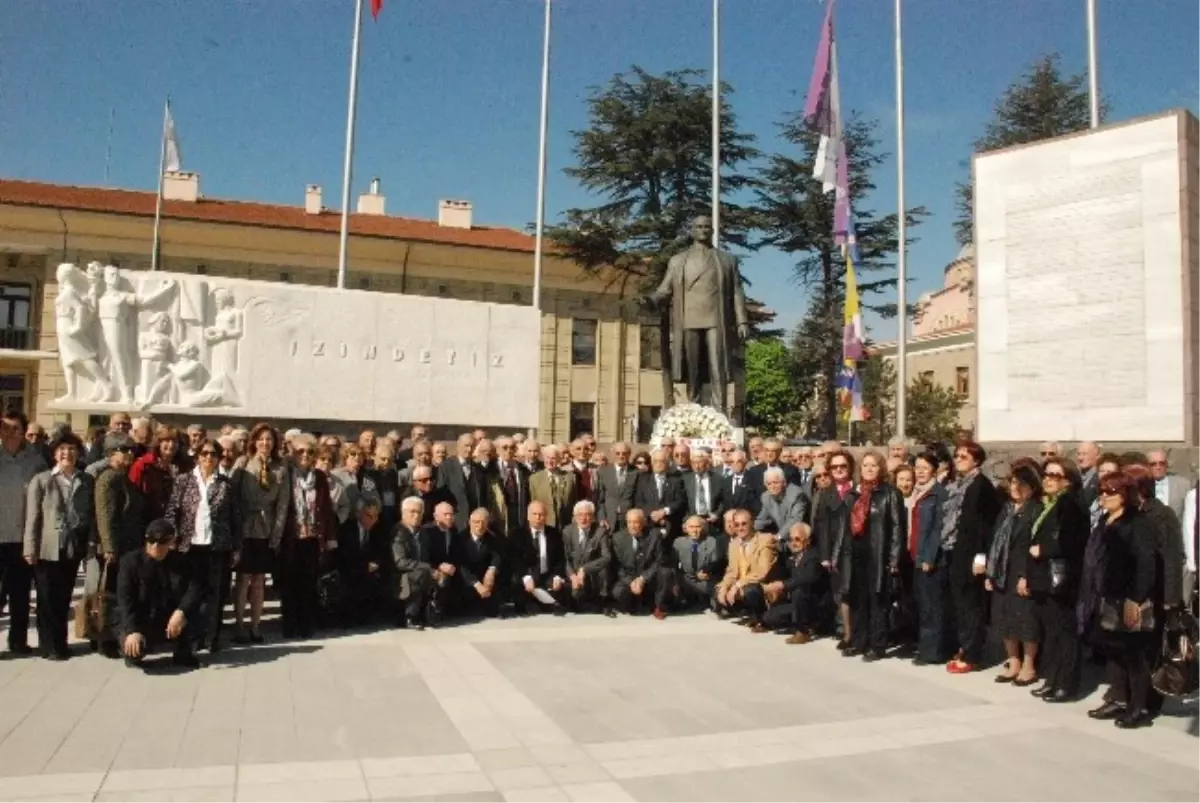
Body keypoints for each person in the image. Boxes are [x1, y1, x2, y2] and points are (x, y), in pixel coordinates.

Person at [1088, 472, 1158, 729]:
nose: (1104, 497)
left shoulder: (1138, 523)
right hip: (1109, 594)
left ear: (1125, 495)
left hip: (1131, 597)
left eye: (1110, 492)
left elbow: (1146, 565)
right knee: (1114, 650)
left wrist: (1135, 599)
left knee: (1134, 654)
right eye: (1102, 491)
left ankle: (1138, 707)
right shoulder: (1107, 520)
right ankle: (1118, 698)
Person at [165, 437, 240, 654]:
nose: (209, 457)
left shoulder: (226, 484)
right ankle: (192, 636)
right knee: (190, 592)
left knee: (216, 593)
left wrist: (236, 547)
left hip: (217, 546)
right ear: (197, 456)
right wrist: (173, 538)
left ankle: (211, 637)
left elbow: (235, 517)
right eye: (204, 453)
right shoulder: (184, 480)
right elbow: (172, 511)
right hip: (189, 546)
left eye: (213, 454)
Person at [23, 431, 92, 661]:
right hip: (46, 548)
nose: (67, 453)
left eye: (71, 449)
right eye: (62, 449)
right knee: (46, 598)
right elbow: (32, 518)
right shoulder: (42, 480)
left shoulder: (85, 480)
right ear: (54, 453)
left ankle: (61, 642)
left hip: (71, 548)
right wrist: (30, 548)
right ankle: (48, 645)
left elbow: (88, 515)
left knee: (64, 598)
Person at [1028, 456, 1089, 703]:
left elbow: (1072, 541)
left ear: (1068, 480)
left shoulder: (1071, 505)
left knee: (1065, 633)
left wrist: (1044, 550)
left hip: (1062, 578)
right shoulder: (1052, 503)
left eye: (1055, 475)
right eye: (1046, 475)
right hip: (1045, 577)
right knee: (1051, 632)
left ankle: (1066, 684)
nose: (1049, 480)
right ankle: (1052, 680)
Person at [833, 452, 904, 662]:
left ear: (881, 468)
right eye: (865, 465)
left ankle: (877, 645)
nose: (869, 469)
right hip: (855, 553)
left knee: (877, 600)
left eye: (874, 465)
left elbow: (898, 527)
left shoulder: (890, 493)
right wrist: (837, 555)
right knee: (857, 600)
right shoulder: (853, 495)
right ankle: (858, 641)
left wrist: (894, 559)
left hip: (878, 553)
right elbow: (843, 529)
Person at [943, 441, 1002, 675]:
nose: (958, 459)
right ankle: (965, 646)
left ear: (976, 460)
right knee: (960, 603)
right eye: (956, 455)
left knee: (972, 605)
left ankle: (973, 654)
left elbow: (985, 525)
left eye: (964, 456)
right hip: (956, 549)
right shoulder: (959, 484)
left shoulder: (981, 485)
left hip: (972, 553)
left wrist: (981, 556)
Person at [985, 464, 1043, 685]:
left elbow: (1035, 544)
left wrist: (1026, 575)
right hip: (1002, 572)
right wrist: (991, 572)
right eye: (1012, 482)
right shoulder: (1007, 509)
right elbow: (995, 540)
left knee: (1026, 620)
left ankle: (1029, 666)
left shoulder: (1035, 509)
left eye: (1019, 483)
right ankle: (1013, 661)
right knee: (1004, 618)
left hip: (1022, 571)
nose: (1014, 487)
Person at [116, 519, 202, 670]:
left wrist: (181, 612)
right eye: (151, 541)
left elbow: (195, 588)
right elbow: (125, 600)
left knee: (198, 609)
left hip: (168, 615)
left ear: (171, 542)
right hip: (141, 616)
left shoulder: (181, 561)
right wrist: (132, 631)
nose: (155, 546)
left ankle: (183, 652)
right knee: (134, 651)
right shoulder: (130, 562)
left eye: (161, 542)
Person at [234, 423, 289, 644]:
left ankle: (256, 626)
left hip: (265, 529)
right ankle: (239, 626)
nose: (265, 443)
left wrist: (276, 534)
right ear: (254, 441)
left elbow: (283, 505)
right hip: (245, 528)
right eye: (261, 439)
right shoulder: (243, 463)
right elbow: (234, 496)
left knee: (258, 581)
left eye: (269, 439)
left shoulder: (280, 468)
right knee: (242, 580)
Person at [0, 408, 47, 658]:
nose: (10, 433)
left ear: (23, 432)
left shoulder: (35, 461)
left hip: (22, 536)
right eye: (5, 428)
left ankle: (17, 640)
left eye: (15, 429)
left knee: (19, 593)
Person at [280, 434, 335, 639]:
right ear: (293, 453)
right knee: (289, 582)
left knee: (308, 583)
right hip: (290, 537)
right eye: (300, 451)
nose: (305, 455)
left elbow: (326, 509)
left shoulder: (319, 477)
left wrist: (329, 537)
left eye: (309, 452)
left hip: (312, 537)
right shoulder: (286, 474)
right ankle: (289, 625)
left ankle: (305, 625)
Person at [94, 434, 143, 657]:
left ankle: (114, 637)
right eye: (124, 449)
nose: (130, 453)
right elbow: (105, 515)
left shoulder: (122, 477)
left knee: (120, 594)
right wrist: (109, 548)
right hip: (116, 548)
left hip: (128, 546)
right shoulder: (109, 478)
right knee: (111, 596)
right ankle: (106, 640)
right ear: (111, 453)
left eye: (131, 449)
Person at [908, 452, 949, 666]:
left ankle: (932, 652)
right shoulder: (917, 493)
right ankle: (924, 646)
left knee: (931, 607)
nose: (920, 471)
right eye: (917, 467)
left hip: (929, 559)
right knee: (922, 605)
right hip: (915, 555)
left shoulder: (938, 494)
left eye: (925, 467)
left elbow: (937, 529)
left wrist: (930, 557)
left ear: (934, 470)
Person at [715, 508, 778, 631]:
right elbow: (732, 571)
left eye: (744, 524)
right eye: (737, 525)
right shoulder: (734, 544)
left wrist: (737, 585)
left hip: (762, 585)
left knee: (750, 591)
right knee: (717, 591)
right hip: (742, 584)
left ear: (752, 523)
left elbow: (762, 572)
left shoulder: (765, 539)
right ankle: (748, 614)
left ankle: (763, 620)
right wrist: (724, 587)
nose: (740, 528)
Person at [761, 523, 824, 644]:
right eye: (790, 539)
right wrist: (770, 585)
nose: (793, 543)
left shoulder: (813, 557)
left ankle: (803, 632)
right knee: (769, 617)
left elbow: (807, 578)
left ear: (807, 541)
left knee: (800, 589)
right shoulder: (791, 558)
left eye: (798, 539)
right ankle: (795, 623)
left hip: (815, 604)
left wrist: (782, 585)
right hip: (796, 604)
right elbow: (777, 572)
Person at [336, 493, 388, 627]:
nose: (373, 520)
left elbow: (382, 551)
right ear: (359, 514)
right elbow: (343, 557)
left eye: (376, 516)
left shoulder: (378, 528)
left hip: (370, 571)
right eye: (369, 516)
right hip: (350, 570)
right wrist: (365, 566)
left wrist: (377, 563)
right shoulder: (347, 529)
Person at [510, 501, 567, 615]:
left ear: (545, 516)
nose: (538, 517)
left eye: (541, 514)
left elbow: (560, 558)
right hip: (527, 575)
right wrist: (525, 577)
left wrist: (557, 576)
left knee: (562, 591)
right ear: (528, 516)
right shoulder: (517, 534)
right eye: (535, 514)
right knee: (519, 589)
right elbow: (515, 559)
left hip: (547, 574)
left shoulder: (554, 533)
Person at [611, 508, 669, 618]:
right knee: (618, 592)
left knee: (664, 572)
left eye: (636, 522)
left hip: (647, 577)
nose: (632, 526)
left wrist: (643, 578)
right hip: (629, 577)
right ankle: (632, 605)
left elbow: (658, 561)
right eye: (629, 522)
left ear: (643, 523)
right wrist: (630, 582)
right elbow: (617, 565)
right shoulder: (618, 538)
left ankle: (658, 606)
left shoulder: (654, 535)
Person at [562, 500, 613, 616]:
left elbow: (606, 557)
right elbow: (564, 558)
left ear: (593, 517)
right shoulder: (567, 531)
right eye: (580, 515)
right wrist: (572, 575)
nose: (583, 519)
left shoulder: (600, 532)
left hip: (591, 573)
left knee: (604, 569)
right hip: (574, 573)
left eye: (587, 515)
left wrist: (585, 569)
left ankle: (602, 600)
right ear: (574, 517)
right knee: (575, 597)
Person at [392, 496, 434, 629]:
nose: (416, 515)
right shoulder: (398, 532)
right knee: (420, 573)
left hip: (419, 572)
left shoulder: (423, 533)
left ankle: (430, 613)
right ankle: (409, 617)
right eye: (412, 512)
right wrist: (427, 568)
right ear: (403, 513)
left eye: (419, 512)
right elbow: (400, 562)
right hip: (399, 576)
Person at [455, 508, 506, 617]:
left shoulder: (492, 538)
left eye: (483, 522)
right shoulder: (460, 539)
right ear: (469, 522)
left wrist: (491, 571)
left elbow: (497, 556)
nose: (480, 526)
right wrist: (477, 585)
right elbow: (461, 566)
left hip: (485, 578)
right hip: (468, 580)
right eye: (476, 522)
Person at [633, 449, 687, 543]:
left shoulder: (676, 481)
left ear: (668, 463)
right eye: (655, 461)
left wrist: (664, 511)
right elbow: (639, 502)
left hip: (671, 526)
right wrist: (652, 513)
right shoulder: (643, 480)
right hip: (649, 525)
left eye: (661, 461)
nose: (658, 464)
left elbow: (680, 501)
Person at [673, 515, 723, 610]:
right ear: (686, 528)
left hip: (705, 579)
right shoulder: (678, 542)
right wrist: (675, 582)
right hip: (686, 579)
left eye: (698, 527)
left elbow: (715, 564)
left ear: (703, 528)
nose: (695, 530)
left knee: (717, 595)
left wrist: (707, 572)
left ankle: (713, 602)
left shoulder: (711, 541)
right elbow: (674, 565)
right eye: (691, 527)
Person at [438, 434, 486, 531]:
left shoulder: (478, 469)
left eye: (472, 446)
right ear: (458, 446)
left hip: (474, 523)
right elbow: (441, 494)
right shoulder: (446, 466)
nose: (469, 449)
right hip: (454, 521)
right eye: (466, 445)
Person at [754, 467, 806, 543]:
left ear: (784, 482)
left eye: (775, 482)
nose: (772, 486)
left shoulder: (796, 494)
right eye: (769, 484)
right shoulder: (766, 497)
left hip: (799, 537)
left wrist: (778, 536)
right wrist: (751, 532)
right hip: (782, 539)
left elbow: (795, 520)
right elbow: (762, 519)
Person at [596, 442, 638, 532]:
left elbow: (638, 497)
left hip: (628, 520)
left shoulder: (636, 472)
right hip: (609, 519)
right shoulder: (603, 471)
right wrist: (602, 518)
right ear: (613, 454)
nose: (621, 456)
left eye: (624, 453)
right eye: (617, 453)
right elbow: (600, 499)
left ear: (629, 454)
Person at [683, 449, 726, 535]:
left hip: (712, 522)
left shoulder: (718, 479)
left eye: (700, 463)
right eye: (694, 463)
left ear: (707, 463)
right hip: (692, 522)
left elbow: (723, 500)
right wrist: (686, 519)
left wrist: (717, 514)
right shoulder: (685, 479)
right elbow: (682, 501)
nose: (697, 466)